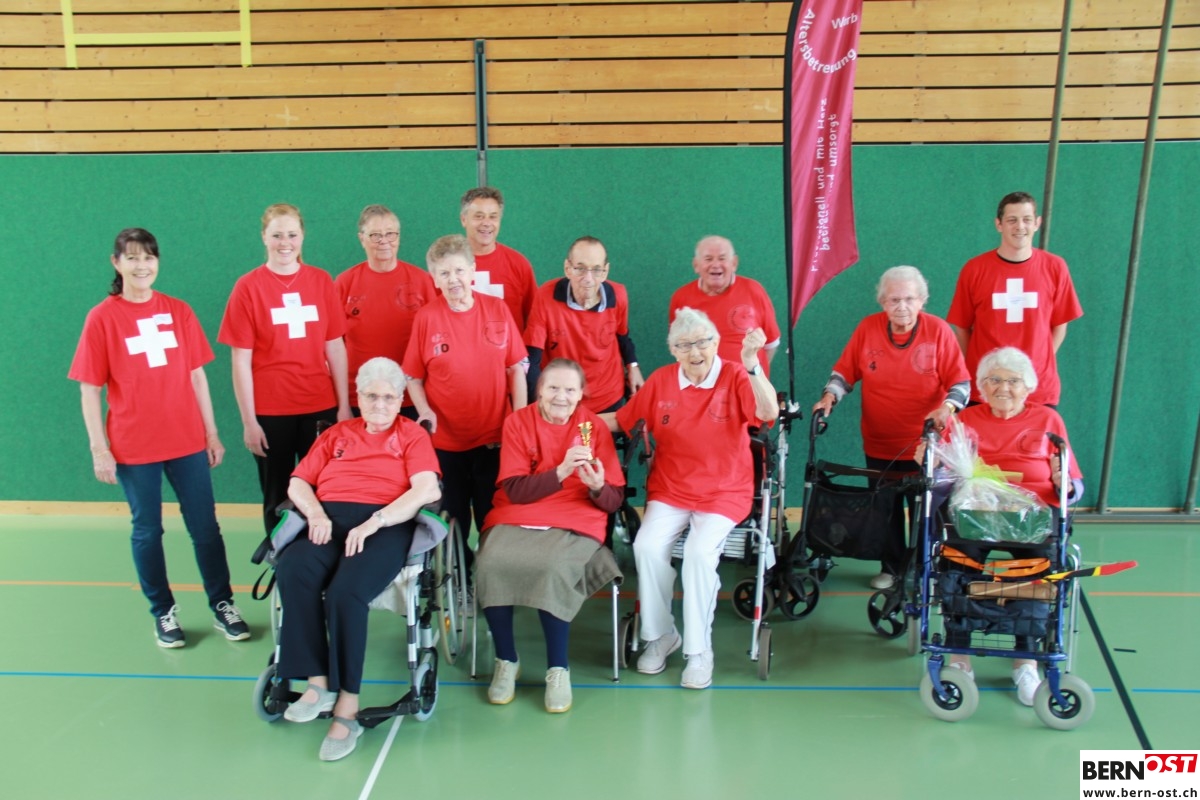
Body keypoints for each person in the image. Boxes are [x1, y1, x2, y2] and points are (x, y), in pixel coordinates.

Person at [69, 228, 249, 648]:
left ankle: (223, 603)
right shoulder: (102, 318)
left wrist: (211, 433)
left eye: (148, 257)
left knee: (205, 527)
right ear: (116, 263)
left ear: (157, 262)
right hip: (134, 446)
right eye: (132, 257)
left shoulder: (178, 311)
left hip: (186, 440)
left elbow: (197, 376)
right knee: (148, 531)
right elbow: (89, 389)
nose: (142, 265)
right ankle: (163, 612)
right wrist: (99, 448)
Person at [277, 357, 441, 761]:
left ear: (400, 399)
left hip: (384, 524)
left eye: (388, 397)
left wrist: (376, 521)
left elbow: (425, 489)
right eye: (371, 396)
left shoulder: (412, 436)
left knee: (345, 593)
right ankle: (319, 684)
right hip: (328, 519)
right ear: (358, 396)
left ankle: (347, 707)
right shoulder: (337, 433)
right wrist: (315, 514)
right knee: (293, 570)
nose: (380, 404)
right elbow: (298, 482)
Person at [608, 308, 779, 689]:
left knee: (699, 555)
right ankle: (661, 635)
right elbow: (622, 420)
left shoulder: (735, 374)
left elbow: (768, 412)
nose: (695, 351)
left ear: (716, 343)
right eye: (684, 345)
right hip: (671, 488)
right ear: (673, 350)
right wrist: (570, 420)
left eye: (702, 342)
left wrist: (752, 363)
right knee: (647, 547)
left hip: (724, 490)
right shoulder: (662, 380)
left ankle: (699, 651)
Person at [916, 346, 1083, 706]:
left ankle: (1025, 660)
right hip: (976, 513)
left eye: (1013, 381)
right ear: (981, 385)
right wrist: (929, 462)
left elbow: (1074, 484)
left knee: (1037, 569)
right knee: (955, 563)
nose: (1003, 387)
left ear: (1029, 387)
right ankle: (959, 656)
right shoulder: (966, 420)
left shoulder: (1049, 421)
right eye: (993, 380)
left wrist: (1065, 484)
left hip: (1032, 516)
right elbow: (941, 478)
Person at [477, 359, 624, 713]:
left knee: (554, 566)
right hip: (519, 510)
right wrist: (560, 471)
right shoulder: (518, 422)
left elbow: (613, 501)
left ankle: (558, 669)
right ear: (539, 389)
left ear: (581, 394)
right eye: (553, 388)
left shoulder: (592, 427)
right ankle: (506, 660)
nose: (561, 396)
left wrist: (597, 486)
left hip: (576, 515)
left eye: (570, 390)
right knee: (490, 562)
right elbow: (515, 490)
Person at [812, 266, 969, 590]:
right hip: (880, 441)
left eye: (909, 299)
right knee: (885, 510)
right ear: (882, 302)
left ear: (922, 300)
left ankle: (927, 571)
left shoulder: (939, 331)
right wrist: (829, 397)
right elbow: (844, 373)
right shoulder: (867, 328)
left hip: (927, 446)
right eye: (894, 300)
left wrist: (947, 407)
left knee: (928, 512)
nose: (902, 307)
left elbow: (961, 384)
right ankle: (892, 568)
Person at [218, 203, 351, 537]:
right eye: (277, 235)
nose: (285, 242)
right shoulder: (248, 287)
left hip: (319, 406)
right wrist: (249, 421)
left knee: (322, 491)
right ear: (264, 237)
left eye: (292, 234)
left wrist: (344, 406)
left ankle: (318, 558)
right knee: (276, 495)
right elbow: (240, 360)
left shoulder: (321, 281)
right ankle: (280, 558)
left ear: (302, 236)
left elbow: (335, 347)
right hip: (270, 412)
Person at [403, 234, 529, 571]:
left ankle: (492, 575)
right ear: (434, 279)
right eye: (444, 273)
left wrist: (518, 420)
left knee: (493, 514)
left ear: (472, 271)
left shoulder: (497, 309)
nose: (453, 280)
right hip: (446, 443)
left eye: (459, 270)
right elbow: (412, 377)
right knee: (454, 518)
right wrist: (425, 410)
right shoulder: (427, 317)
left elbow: (516, 368)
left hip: (494, 438)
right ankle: (461, 577)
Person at [946, 192, 1083, 407]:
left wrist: (1036, 363)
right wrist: (983, 366)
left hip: (1038, 389)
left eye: (1027, 219)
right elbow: (962, 328)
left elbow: (1060, 326)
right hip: (985, 390)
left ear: (1037, 223)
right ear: (998, 224)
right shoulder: (974, 269)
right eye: (1012, 220)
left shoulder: (1055, 267)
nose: (1020, 226)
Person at [335, 204, 436, 417]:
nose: (384, 241)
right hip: (360, 397)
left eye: (390, 234)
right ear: (361, 239)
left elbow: (434, 340)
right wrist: (343, 404)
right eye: (375, 235)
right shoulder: (345, 283)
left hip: (411, 397)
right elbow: (333, 346)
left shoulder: (423, 281)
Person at [523, 236, 644, 412]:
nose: (588, 278)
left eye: (596, 270)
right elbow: (532, 359)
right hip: (562, 400)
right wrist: (538, 406)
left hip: (607, 398)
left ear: (605, 272)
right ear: (567, 268)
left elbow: (622, 336)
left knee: (597, 432)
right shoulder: (545, 296)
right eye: (580, 269)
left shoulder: (619, 295)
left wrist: (633, 366)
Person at [668, 235, 781, 377]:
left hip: (748, 385)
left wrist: (753, 375)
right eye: (708, 259)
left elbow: (771, 344)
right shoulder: (681, 298)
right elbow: (679, 347)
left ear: (734, 263)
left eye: (722, 258)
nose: (715, 264)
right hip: (701, 386)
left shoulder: (754, 290)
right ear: (696, 265)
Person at [460, 186, 537, 330]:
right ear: (464, 220)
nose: (486, 223)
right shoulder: (448, 266)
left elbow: (535, 320)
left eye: (493, 216)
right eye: (479, 216)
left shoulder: (519, 264)